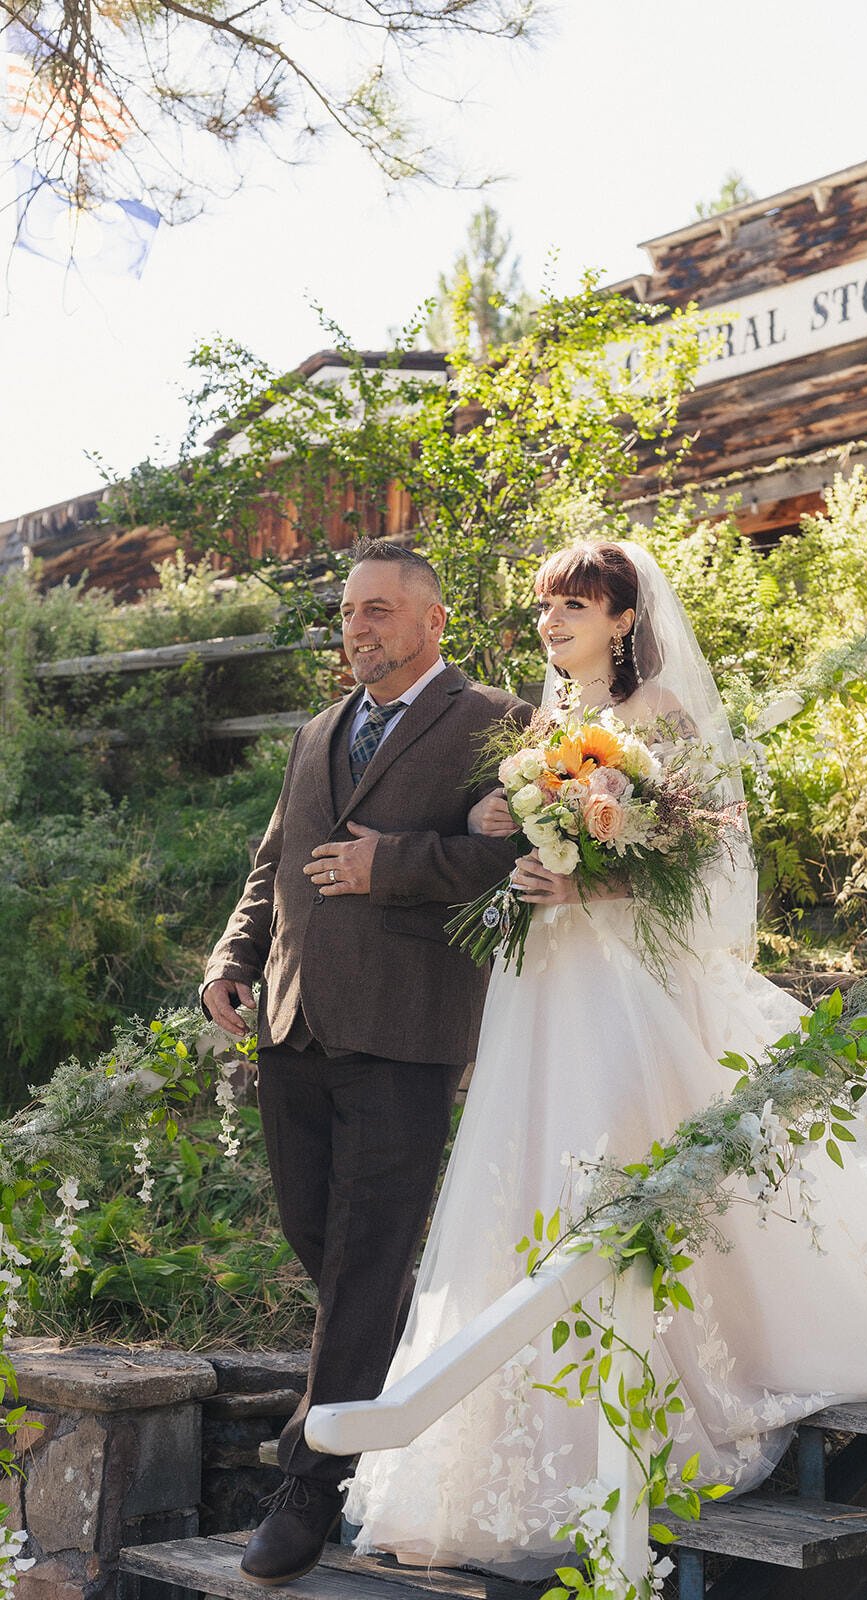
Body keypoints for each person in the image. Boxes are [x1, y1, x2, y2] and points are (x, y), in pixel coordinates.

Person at [346, 538, 867, 1579]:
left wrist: (587, 882)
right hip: (538, 985)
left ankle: (651, 1406)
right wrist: (496, 817)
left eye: (576, 608)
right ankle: (483, 1460)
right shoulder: (538, 722)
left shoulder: (658, 724)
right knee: (518, 1183)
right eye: (546, 608)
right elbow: (506, 830)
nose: (553, 625)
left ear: (624, 620)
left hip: (619, 986)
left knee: (617, 1171)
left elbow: (703, 865)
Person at [201, 538, 531, 1587]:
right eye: (350, 611)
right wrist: (230, 957)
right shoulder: (314, 733)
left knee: (367, 1251)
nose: (358, 627)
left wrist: (389, 863)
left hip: (406, 1026)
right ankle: (396, 1383)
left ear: (433, 622)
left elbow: (518, 859)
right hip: (293, 1026)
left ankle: (310, 1482)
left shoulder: (499, 724)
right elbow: (273, 863)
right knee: (327, 1239)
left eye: (380, 610)